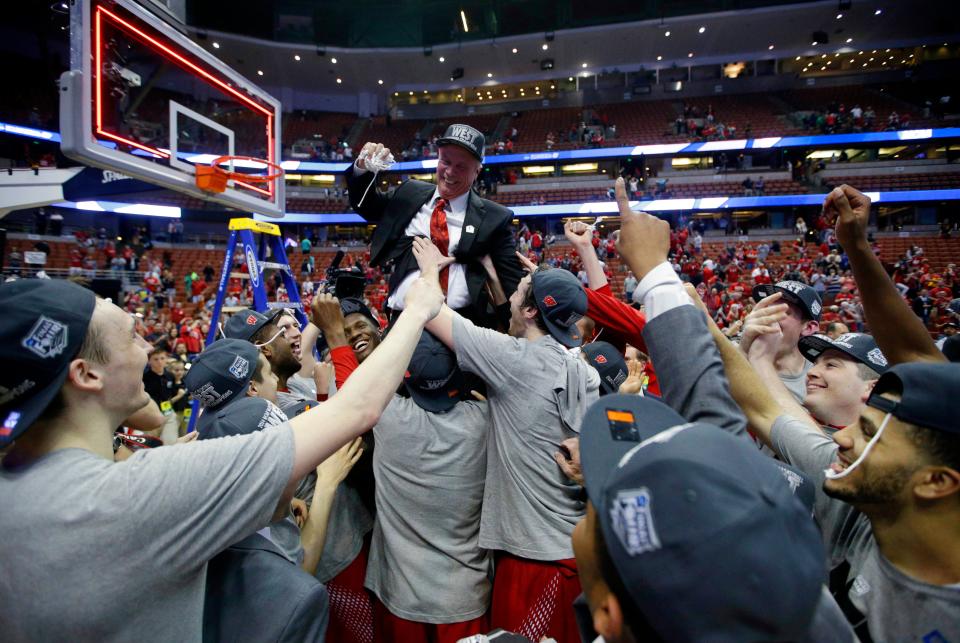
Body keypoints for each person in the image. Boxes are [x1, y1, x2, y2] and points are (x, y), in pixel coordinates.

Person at [0, 269, 443, 640]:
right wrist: (420, 307)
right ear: (86, 373)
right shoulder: (147, 490)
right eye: (132, 335)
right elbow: (356, 409)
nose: (147, 348)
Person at [412, 236, 599, 642]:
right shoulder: (585, 367)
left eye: (518, 294)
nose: (511, 298)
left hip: (534, 562)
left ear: (531, 311)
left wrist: (429, 269)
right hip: (576, 553)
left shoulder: (513, 360)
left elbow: (427, 311)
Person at [366, 332, 491, 642]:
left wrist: (338, 339)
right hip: (464, 596)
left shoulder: (385, 414)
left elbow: (352, 388)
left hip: (400, 595)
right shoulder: (487, 420)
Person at [347, 124, 525, 327]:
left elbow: (513, 283)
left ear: (477, 171)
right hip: (403, 319)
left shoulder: (495, 218)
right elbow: (367, 207)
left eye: (461, 167)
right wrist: (362, 169)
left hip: (461, 325)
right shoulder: (410, 192)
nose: (450, 172)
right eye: (445, 161)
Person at [741, 280, 822, 401]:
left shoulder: (818, 379)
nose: (767, 317)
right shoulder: (733, 353)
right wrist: (742, 351)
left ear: (808, 327)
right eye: (766, 308)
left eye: (780, 311)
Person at [142, 348, 186, 444]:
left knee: (170, 442)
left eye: (162, 358)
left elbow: (175, 390)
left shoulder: (169, 375)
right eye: (156, 359)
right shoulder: (144, 378)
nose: (160, 362)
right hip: (151, 415)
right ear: (149, 361)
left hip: (168, 413)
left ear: (166, 359)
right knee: (150, 444)